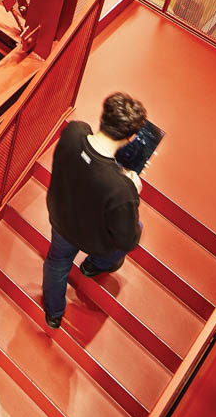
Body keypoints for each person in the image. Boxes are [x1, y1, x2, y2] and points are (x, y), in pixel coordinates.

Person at [41, 91, 148, 329]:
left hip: (61, 218)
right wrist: (133, 190)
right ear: (130, 137)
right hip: (93, 238)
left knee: (56, 264)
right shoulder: (121, 189)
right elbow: (127, 239)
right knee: (137, 227)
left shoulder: (74, 131)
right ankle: (95, 265)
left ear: (104, 118)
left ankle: (53, 314)